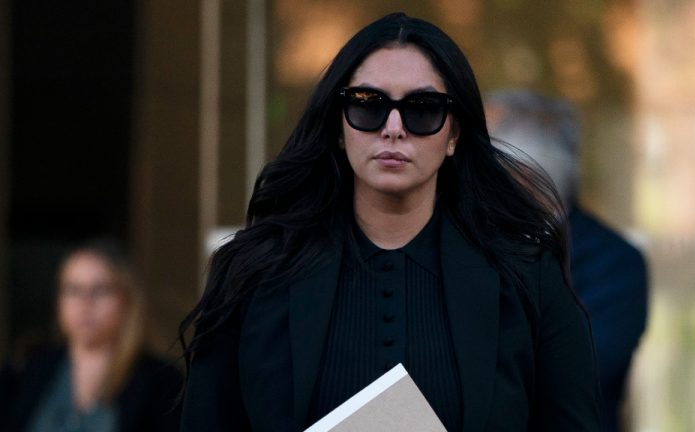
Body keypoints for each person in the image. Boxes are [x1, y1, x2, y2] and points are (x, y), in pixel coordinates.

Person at [180, 13, 600, 431]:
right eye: (368, 105)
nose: (393, 129)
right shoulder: (254, 274)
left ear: (454, 134)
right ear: (339, 126)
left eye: (423, 109)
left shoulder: (526, 276)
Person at [485, 89, 648, 432]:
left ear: (527, 178)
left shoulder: (614, 263)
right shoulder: (472, 244)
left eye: (489, 169)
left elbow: (576, 373)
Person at [0, 239, 182, 431]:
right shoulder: (27, 370)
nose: (85, 303)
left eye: (100, 290)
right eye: (73, 290)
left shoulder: (162, 382)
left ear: (127, 300)